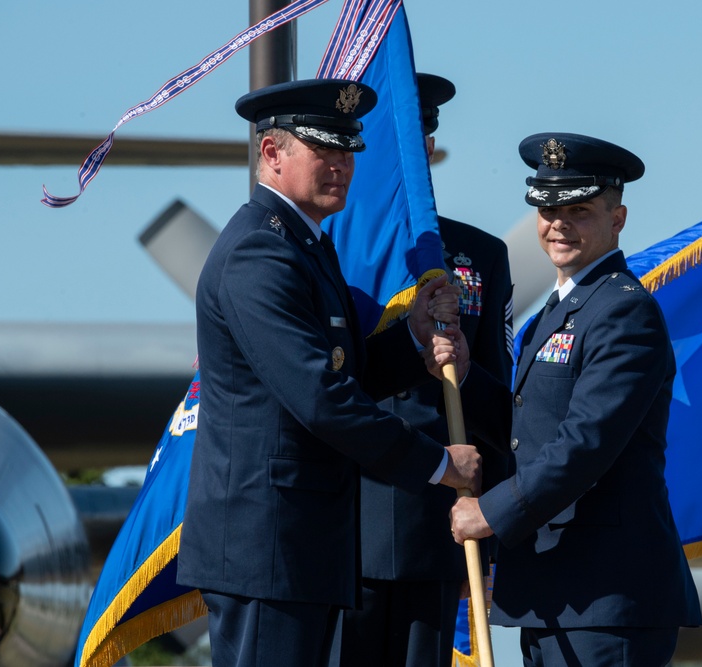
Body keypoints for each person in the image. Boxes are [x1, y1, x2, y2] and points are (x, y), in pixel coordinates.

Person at [176, 78, 482, 667]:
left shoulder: (305, 246)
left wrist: (413, 341)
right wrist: (439, 464)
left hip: (299, 548)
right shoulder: (259, 254)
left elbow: (347, 368)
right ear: (272, 154)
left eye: (347, 150)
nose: (341, 165)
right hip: (267, 547)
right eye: (324, 150)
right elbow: (319, 396)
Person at [449, 133, 702, 666]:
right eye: (547, 208)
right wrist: (466, 376)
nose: (558, 223)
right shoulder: (556, 312)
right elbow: (530, 429)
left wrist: (490, 513)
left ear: (618, 218)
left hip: (606, 596)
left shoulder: (622, 312)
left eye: (579, 210)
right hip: (553, 594)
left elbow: (585, 443)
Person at [333, 73, 514, 667]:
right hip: (341, 524)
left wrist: (489, 534)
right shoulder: (329, 250)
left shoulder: (479, 256)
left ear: (428, 149)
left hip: (436, 531)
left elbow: (498, 406)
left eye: (419, 141)